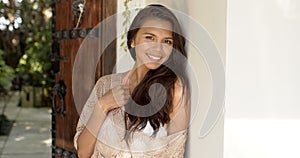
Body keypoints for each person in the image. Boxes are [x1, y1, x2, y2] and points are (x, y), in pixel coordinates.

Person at [74, 4, 191, 158]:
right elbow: (83, 152)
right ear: (133, 41)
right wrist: (102, 106)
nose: (158, 48)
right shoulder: (105, 84)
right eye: (150, 37)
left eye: (167, 41)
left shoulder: (174, 89)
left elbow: (174, 154)